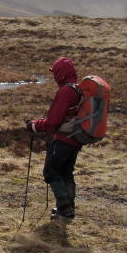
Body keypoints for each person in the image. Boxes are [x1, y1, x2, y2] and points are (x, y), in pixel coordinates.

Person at [26, 57, 82, 220]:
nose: (54, 76)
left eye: (55, 72)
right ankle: (68, 208)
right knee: (66, 172)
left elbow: (53, 121)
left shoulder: (66, 91)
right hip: (75, 139)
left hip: (62, 140)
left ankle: (63, 208)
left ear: (61, 73)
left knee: (51, 171)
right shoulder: (78, 89)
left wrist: (35, 126)